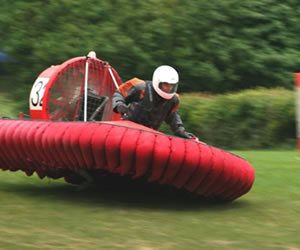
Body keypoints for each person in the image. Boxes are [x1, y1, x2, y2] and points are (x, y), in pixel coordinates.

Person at [112, 65, 195, 139]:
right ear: (157, 82)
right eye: (166, 85)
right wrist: (119, 105)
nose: (169, 88)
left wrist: (180, 130)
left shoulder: (173, 100)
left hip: (148, 135)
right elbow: (119, 93)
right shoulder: (141, 87)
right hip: (127, 128)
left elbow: (172, 116)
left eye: (171, 86)